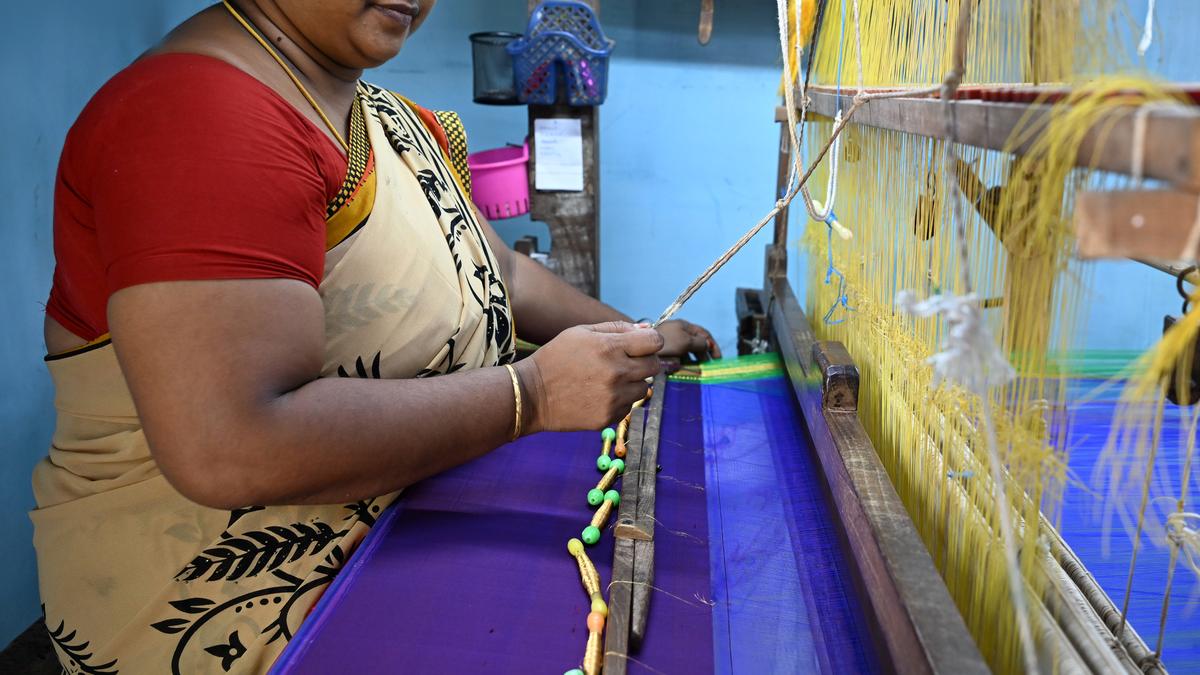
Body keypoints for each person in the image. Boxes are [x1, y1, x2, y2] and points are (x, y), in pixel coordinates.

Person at [33, 1, 720, 672]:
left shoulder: (380, 119)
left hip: (398, 524)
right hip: (225, 613)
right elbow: (231, 446)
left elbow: (497, 270)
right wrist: (533, 393)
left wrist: (635, 336)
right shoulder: (199, 118)